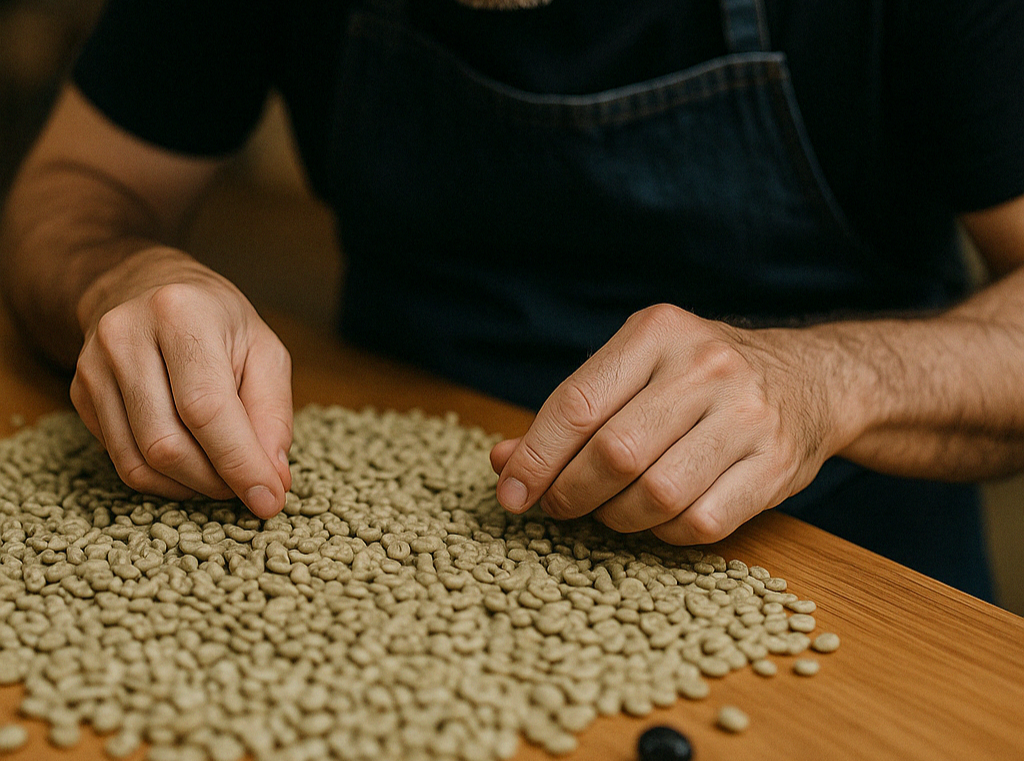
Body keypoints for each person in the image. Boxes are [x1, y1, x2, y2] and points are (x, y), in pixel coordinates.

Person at [2, 0, 1023, 602]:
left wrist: (821, 380)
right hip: (370, 535)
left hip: (833, 557)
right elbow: (75, 191)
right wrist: (121, 277)